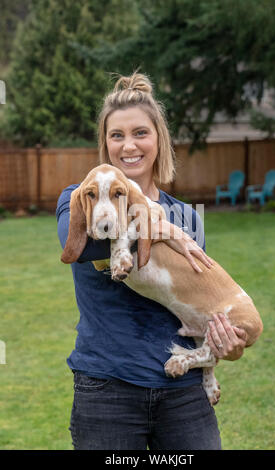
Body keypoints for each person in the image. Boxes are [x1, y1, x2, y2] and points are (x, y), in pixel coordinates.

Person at [56, 72, 248, 450]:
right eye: (117, 135)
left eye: (140, 133)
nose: (129, 146)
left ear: (159, 140)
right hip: (107, 390)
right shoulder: (81, 196)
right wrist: (167, 230)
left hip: (184, 394)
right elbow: (80, 245)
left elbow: (200, 295)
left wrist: (230, 345)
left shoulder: (189, 216)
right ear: (105, 143)